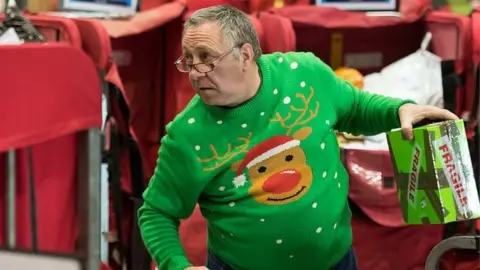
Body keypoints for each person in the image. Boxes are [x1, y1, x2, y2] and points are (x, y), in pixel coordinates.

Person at [138, 5, 458, 270]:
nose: (194, 73)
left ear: (246, 55)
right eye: (188, 59)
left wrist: (401, 110)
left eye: (206, 57)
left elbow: (355, 107)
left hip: (336, 262)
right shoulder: (188, 134)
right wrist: (175, 265)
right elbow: (156, 211)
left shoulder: (303, 72)